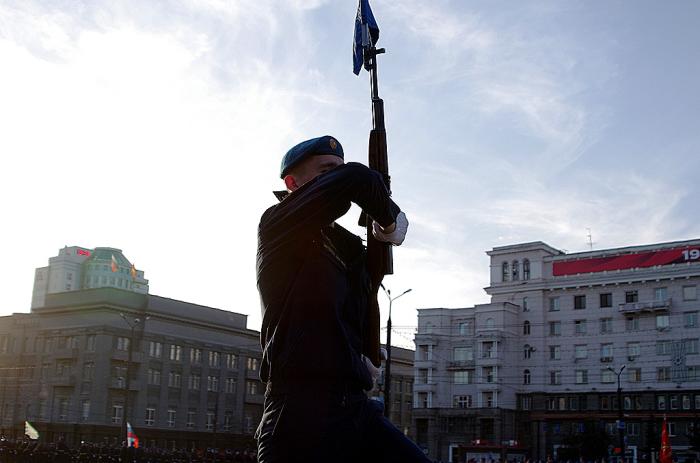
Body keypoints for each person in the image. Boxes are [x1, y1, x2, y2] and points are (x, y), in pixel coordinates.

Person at [255, 135, 428, 462]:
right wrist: (388, 215)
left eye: (336, 169)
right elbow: (355, 179)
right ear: (292, 183)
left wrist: (367, 350)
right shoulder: (277, 225)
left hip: (354, 406)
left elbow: (365, 296)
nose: (334, 176)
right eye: (325, 171)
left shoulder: (345, 246)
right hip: (300, 413)